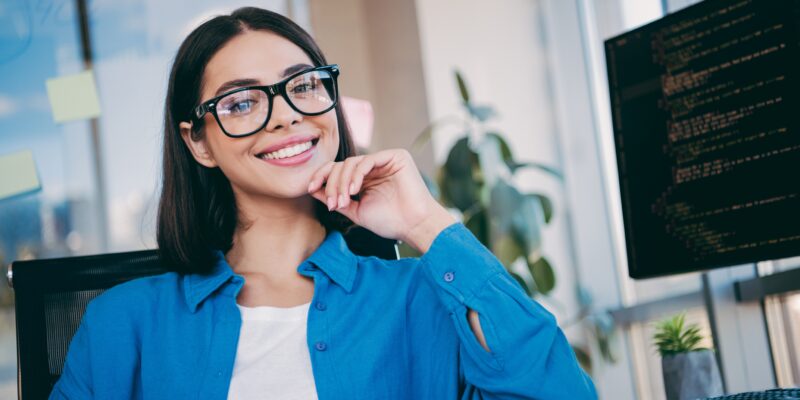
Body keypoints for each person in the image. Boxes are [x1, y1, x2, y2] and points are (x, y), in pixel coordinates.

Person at [50, 6, 596, 400]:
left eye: (304, 85)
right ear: (198, 142)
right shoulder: (120, 326)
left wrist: (425, 222)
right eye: (242, 102)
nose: (287, 114)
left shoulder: (422, 300)